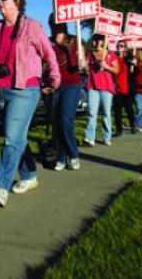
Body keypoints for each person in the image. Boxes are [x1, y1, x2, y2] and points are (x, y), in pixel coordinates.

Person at [0, 0, 60, 207]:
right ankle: (29, 175)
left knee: (11, 138)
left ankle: (1, 186)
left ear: (17, 0)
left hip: (24, 90)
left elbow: (49, 55)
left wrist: (54, 79)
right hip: (0, 89)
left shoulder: (31, 27)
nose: (0, 2)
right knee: (18, 137)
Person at [47, 13, 85, 171]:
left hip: (72, 84)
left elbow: (85, 66)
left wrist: (82, 62)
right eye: (53, 23)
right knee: (56, 122)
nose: (56, 26)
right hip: (54, 86)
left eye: (58, 23)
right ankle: (61, 157)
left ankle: (74, 154)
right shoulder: (48, 43)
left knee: (65, 119)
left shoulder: (75, 40)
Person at [83, 34, 118, 146]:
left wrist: (106, 66)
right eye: (94, 41)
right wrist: (84, 65)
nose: (95, 43)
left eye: (97, 41)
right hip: (92, 86)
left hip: (106, 87)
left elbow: (116, 70)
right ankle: (89, 138)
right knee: (92, 113)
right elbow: (87, 70)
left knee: (106, 113)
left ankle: (106, 136)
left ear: (103, 42)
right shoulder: (90, 54)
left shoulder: (110, 54)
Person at [112, 40, 137, 136]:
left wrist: (134, 65)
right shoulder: (114, 58)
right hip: (116, 88)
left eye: (122, 46)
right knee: (117, 111)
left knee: (129, 109)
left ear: (126, 48)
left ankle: (133, 125)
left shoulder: (129, 58)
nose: (120, 47)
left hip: (127, 88)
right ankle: (119, 130)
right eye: (118, 45)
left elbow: (133, 73)